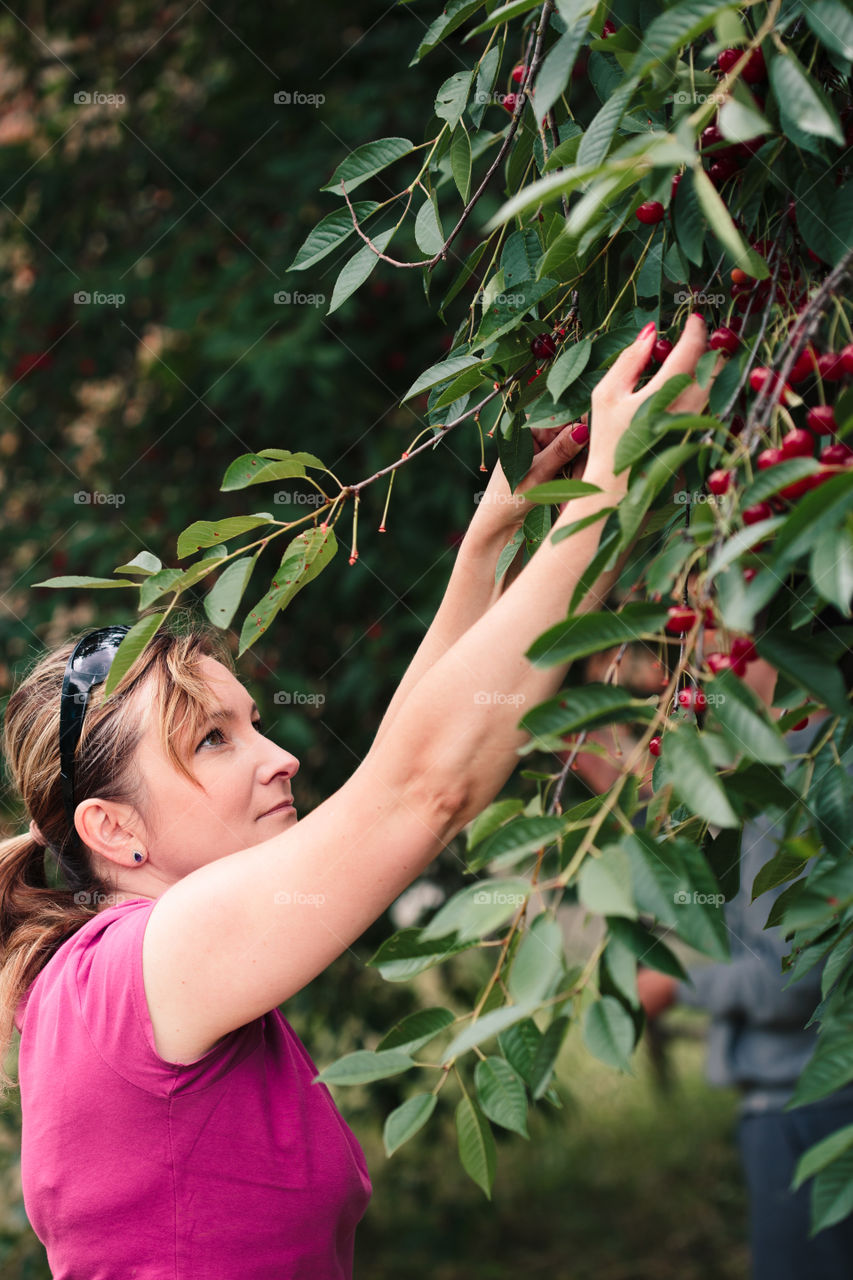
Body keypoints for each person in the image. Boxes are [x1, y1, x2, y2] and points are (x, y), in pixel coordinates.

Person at [0, 316, 711, 1279]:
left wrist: (487, 546)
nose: (281, 756)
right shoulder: (149, 961)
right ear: (112, 829)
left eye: (252, 721)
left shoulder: (125, 971)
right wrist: (611, 496)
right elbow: (422, 788)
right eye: (214, 740)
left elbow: (400, 761)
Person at [637, 656, 853, 1280]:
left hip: (806, 1107)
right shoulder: (795, 763)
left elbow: (789, 981)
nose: (672, 675)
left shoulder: (793, 779)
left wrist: (674, 986)